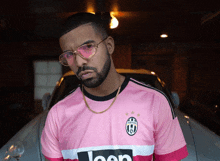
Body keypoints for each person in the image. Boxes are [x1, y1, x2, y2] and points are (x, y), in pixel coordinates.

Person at [41, 12, 188, 161]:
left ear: (109, 46)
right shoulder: (57, 116)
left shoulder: (154, 102)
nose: (79, 62)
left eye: (87, 47)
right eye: (69, 55)